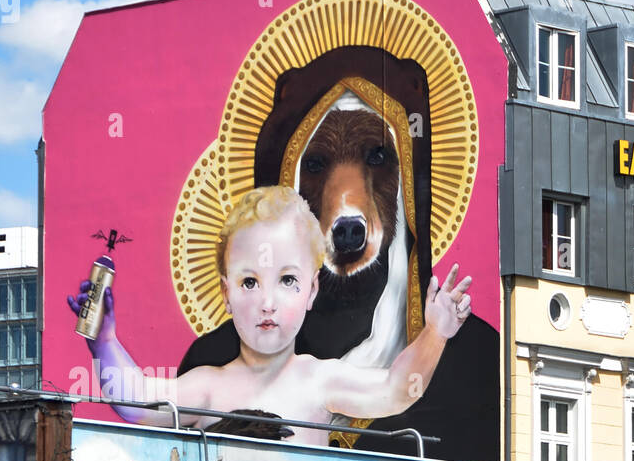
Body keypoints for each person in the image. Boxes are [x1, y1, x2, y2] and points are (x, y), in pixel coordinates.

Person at [70, 186, 471, 447]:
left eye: (287, 281)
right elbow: (135, 402)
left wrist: (435, 333)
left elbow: (396, 390)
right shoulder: (209, 386)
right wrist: (104, 342)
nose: (267, 302)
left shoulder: (319, 380)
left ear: (312, 290)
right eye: (249, 283)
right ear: (226, 293)